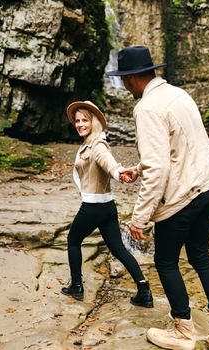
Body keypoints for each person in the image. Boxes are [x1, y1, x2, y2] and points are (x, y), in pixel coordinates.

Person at [107, 46, 209, 349]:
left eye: (124, 80)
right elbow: (178, 146)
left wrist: (139, 218)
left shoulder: (146, 108)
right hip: (208, 187)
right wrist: (139, 167)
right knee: (200, 255)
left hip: (182, 198)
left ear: (135, 77)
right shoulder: (178, 94)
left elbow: (159, 168)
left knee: (165, 261)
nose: (123, 86)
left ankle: (183, 332)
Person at [61, 100, 153, 309]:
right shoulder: (88, 143)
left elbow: (108, 162)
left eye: (85, 120)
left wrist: (118, 172)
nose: (80, 124)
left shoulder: (98, 145)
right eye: (77, 120)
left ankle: (76, 286)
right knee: (118, 248)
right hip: (107, 206)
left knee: (73, 240)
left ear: (94, 122)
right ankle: (144, 290)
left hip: (93, 207)